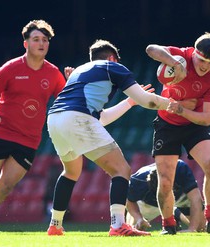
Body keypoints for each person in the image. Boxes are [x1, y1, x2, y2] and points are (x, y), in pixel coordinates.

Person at [46, 39, 172, 237]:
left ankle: (55, 225)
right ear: (113, 58)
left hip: (55, 119)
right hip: (77, 117)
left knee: (70, 172)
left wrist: (129, 103)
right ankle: (118, 225)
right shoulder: (113, 67)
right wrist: (175, 105)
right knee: (121, 169)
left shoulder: (80, 72)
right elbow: (148, 101)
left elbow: (100, 118)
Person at [0, 20, 66, 234]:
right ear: (25, 43)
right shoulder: (11, 68)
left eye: (45, 40)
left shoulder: (53, 73)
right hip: (1, 133)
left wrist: (71, 83)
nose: (41, 43)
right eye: (36, 39)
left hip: (29, 140)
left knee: (5, 188)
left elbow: (67, 100)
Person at [145, 32, 210, 235]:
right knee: (165, 180)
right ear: (194, 53)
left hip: (194, 125)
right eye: (201, 60)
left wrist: (182, 109)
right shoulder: (181, 55)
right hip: (167, 124)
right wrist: (175, 63)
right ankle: (168, 225)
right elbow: (150, 49)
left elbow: (207, 118)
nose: (205, 66)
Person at [126, 159, 205, 232]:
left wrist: (192, 228)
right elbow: (129, 200)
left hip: (180, 198)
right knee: (134, 229)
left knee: (201, 227)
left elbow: (196, 198)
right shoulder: (139, 180)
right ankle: (174, 212)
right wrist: (139, 218)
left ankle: (174, 212)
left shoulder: (181, 169)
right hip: (149, 204)